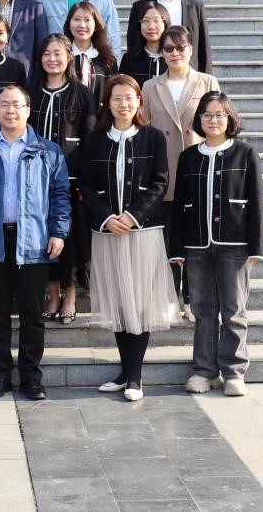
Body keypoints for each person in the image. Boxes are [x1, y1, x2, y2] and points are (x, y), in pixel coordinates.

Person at [0, 84, 71, 401]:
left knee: (32, 315)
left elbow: (60, 196)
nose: (10, 110)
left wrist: (58, 232)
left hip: (33, 241)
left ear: (28, 109)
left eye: (16, 105)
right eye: (4, 104)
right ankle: (0, 376)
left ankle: (31, 379)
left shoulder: (48, 151)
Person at [78, 75, 176, 401]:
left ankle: (135, 376)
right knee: (120, 303)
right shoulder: (95, 140)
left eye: (129, 98)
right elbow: (86, 185)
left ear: (139, 102)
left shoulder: (153, 138)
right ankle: (124, 372)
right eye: (117, 98)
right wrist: (107, 218)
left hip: (143, 232)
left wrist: (133, 216)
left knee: (141, 303)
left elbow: (160, 182)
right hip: (107, 233)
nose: (123, 104)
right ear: (107, 103)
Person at [171, 91, 263, 398]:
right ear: (199, 119)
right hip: (197, 245)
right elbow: (179, 205)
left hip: (235, 244)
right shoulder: (188, 157)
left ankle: (234, 371)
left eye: (219, 115)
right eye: (207, 115)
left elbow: (256, 202)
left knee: (234, 309)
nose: (213, 120)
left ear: (230, 118)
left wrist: (256, 248)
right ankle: (204, 370)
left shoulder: (245, 153)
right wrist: (177, 249)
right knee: (203, 310)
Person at [141, 25, 219, 321]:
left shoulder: (207, 81)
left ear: (190, 49)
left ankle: (193, 299)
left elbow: (218, 122)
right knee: (166, 239)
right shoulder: (151, 86)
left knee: (194, 238)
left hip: (197, 169)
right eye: (168, 48)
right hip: (163, 171)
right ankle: (169, 297)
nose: (175, 53)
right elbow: (145, 130)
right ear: (161, 53)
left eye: (180, 47)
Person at [29, 34, 97, 325]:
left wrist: (83, 181)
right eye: (47, 53)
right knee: (43, 237)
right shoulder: (32, 91)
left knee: (69, 239)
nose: (52, 59)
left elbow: (90, 139)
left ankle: (70, 295)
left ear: (69, 57)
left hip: (69, 180)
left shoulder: (81, 93)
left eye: (58, 53)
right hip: (34, 180)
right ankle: (53, 293)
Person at [128, 0, 211, 74]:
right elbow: (133, 44)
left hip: (190, 76)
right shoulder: (140, 6)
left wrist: (207, 78)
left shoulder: (195, 6)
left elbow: (204, 47)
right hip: (152, 74)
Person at [65, 0, 117, 96]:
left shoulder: (108, 60)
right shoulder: (62, 57)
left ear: (96, 26)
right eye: (77, 19)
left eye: (87, 20)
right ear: (69, 25)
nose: (82, 25)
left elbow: (112, 94)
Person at [118, 0, 170, 84]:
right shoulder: (129, 59)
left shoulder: (173, 57)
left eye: (156, 20)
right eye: (146, 21)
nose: (151, 26)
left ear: (165, 23)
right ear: (140, 24)